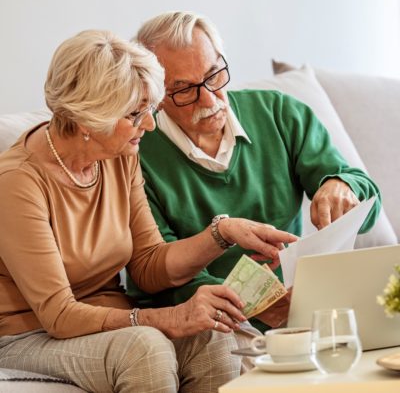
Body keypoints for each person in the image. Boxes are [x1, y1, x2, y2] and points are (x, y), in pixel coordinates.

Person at [0, 30, 298, 392]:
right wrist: (168, 318)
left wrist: (223, 233)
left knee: (213, 334)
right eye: (135, 114)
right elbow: (59, 315)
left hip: (107, 320)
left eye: (148, 110)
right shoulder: (17, 182)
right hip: (30, 334)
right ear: (90, 118)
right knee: (145, 346)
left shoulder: (119, 155)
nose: (150, 124)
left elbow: (149, 264)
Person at [129, 11, 382, 337]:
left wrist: (342, 185)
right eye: (184, 89)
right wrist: (253, 305)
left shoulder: (280, 114)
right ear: (155, 98)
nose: (208, 99)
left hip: (298, 307)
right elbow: (157, 275)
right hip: (209, 320)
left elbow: (369, 206)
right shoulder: (136, 156)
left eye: (214, 75)